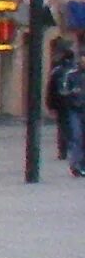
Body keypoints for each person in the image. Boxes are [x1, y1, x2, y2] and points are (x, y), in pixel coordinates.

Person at [49, 41, 85, 177]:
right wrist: (72, 94)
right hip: (74, 109)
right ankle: (76, 165)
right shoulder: (71, 74)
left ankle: (82, 164)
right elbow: (62, 90)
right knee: (76, 136)